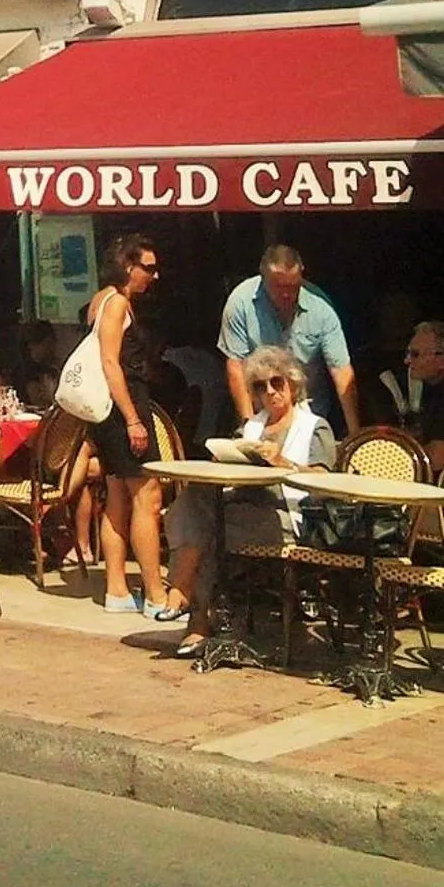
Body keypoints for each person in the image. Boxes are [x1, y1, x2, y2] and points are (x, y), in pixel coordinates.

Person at [163, 346, 336, 658]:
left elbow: (324, 479)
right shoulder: (252, 426)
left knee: (206, 528)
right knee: (200, 499)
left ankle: (189, 606)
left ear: (293, 384)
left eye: (276, 382)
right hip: (242, 508)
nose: (269, 391)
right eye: (259, 386)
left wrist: (283, 462)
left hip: (286, 516)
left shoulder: (314, 426)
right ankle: (194, 608)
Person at [85, 235, 177, 619]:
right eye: (148, 268)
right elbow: (111, 363)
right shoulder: (118, 302)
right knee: (148, 497)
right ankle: (155, 594)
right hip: (123, 408)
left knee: (117, 496)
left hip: (110, 412)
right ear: (128, 266)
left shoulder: (100, 300)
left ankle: (117, 589)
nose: (153, 276)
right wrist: (134, 419)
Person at [219, 244, 359, 437]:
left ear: (301, 274)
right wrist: (248, 428)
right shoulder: (240, 302)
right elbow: (236, 368)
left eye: (293, 287)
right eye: (278, 286)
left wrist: (355, 433)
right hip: (261, 418)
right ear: (262, 275)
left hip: (309, 417)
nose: (286, 294)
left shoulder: (321, 308)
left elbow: (341, 371)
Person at [404, 320, 444, 475]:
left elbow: (438, 458)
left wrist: (393, 458)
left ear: (442, 360)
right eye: (408, 353)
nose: (407, 361)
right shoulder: (432, 389)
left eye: (415, 354)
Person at [16, 320, 61, 413]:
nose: (54, 346)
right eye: (49, 342)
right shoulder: (28, 370)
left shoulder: (52, 365)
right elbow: (38, 400)